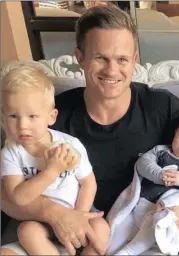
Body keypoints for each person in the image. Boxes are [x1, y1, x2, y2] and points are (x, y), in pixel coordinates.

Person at [0, 4, 179, 256]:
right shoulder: (49, 116)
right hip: (58, 234)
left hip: (135, 233)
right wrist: (56, 214)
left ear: (134, 60)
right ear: (79, 56)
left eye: (122, 59)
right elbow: (7, 196)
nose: (112, 70)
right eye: (100, 57)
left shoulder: (162, 107)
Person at [0, 66, 110, 255]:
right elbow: (18, 197)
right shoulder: (11, 152)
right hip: (38, 221)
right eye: (13, 116)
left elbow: (88, 183)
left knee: (101, 228)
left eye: (32, 116)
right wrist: (51, 171)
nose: (22, 125)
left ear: (51, 117)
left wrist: (79, 215)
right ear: (2, 116)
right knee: (27, 232)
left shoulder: (69, 144)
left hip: (76, 212)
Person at [112, 113, 179, 255]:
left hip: (158, 210)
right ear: (175, 134)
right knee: (116, 233)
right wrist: (159, 175)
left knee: (153, 228)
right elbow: (143, 163)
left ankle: (128, 252)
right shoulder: (161, 151)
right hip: (138, 203)